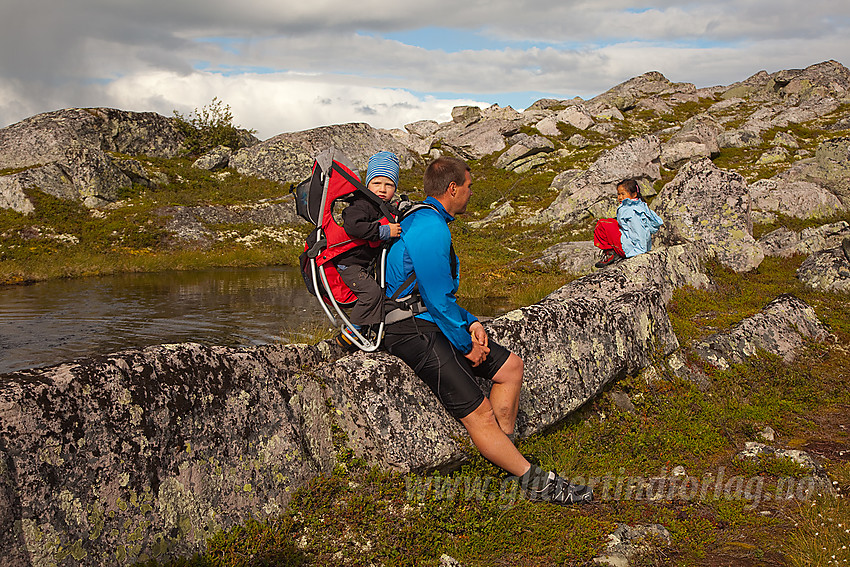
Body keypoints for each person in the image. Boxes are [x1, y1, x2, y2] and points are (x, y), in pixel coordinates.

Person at [383, 156, 592, 505]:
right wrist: (466, 344)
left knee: (510, 368)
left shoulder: (429, 220)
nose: (470, 192)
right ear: (453, 189)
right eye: (468, 186)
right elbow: (434, 299)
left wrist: (472, 321)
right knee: (479, 413)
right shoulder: (429, 227)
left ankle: (505, 455)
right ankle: (534, 482)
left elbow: (434, 294)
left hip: (427, 318)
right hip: (410, 330)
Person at [334, 151, 402, 343]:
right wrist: (384, 232)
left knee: (378, 292)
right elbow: (353, 226)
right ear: (367, 184)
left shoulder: (383, 207)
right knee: (371, 293)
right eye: (376, 183)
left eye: (389, 184)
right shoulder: (361, 204)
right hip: (349, 264)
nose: (382, 189)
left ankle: (370, 330)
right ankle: (350, 333)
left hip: (363, 265)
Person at [593, 178, 663, 268]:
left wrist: (638, 251)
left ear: (634, 194)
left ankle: (611, 253)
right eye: (618, 194)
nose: (620, 197)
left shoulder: (632, 211)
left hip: (629, 247)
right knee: (611, 222)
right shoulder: (637, 206)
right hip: (629, 242)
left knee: (602, 224)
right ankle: (612, 252)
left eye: (623, 194)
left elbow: (640, 231)